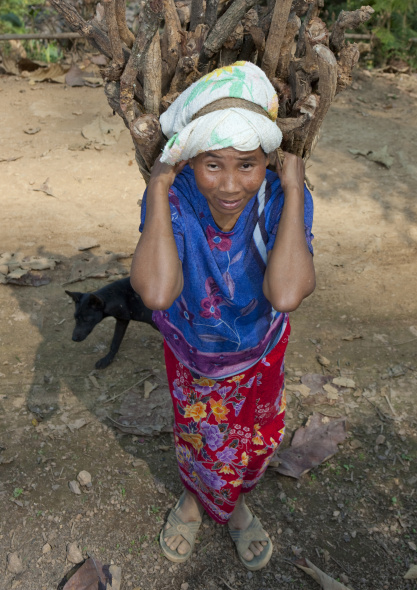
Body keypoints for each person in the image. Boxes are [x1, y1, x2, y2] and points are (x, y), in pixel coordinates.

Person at [131, 61, 315, 571]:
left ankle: (234, 504)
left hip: (260, 349)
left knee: (253, 439)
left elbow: (286, 292)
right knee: (198, 435)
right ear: (189, 163)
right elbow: (157, 291)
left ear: (267, 163)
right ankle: (195, 499)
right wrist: (160, 188)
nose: (231, 185)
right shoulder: (176, 196)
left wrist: (296, 189)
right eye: (213, 164)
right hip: (194, 352)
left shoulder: (281, 198)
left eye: (247, 165)